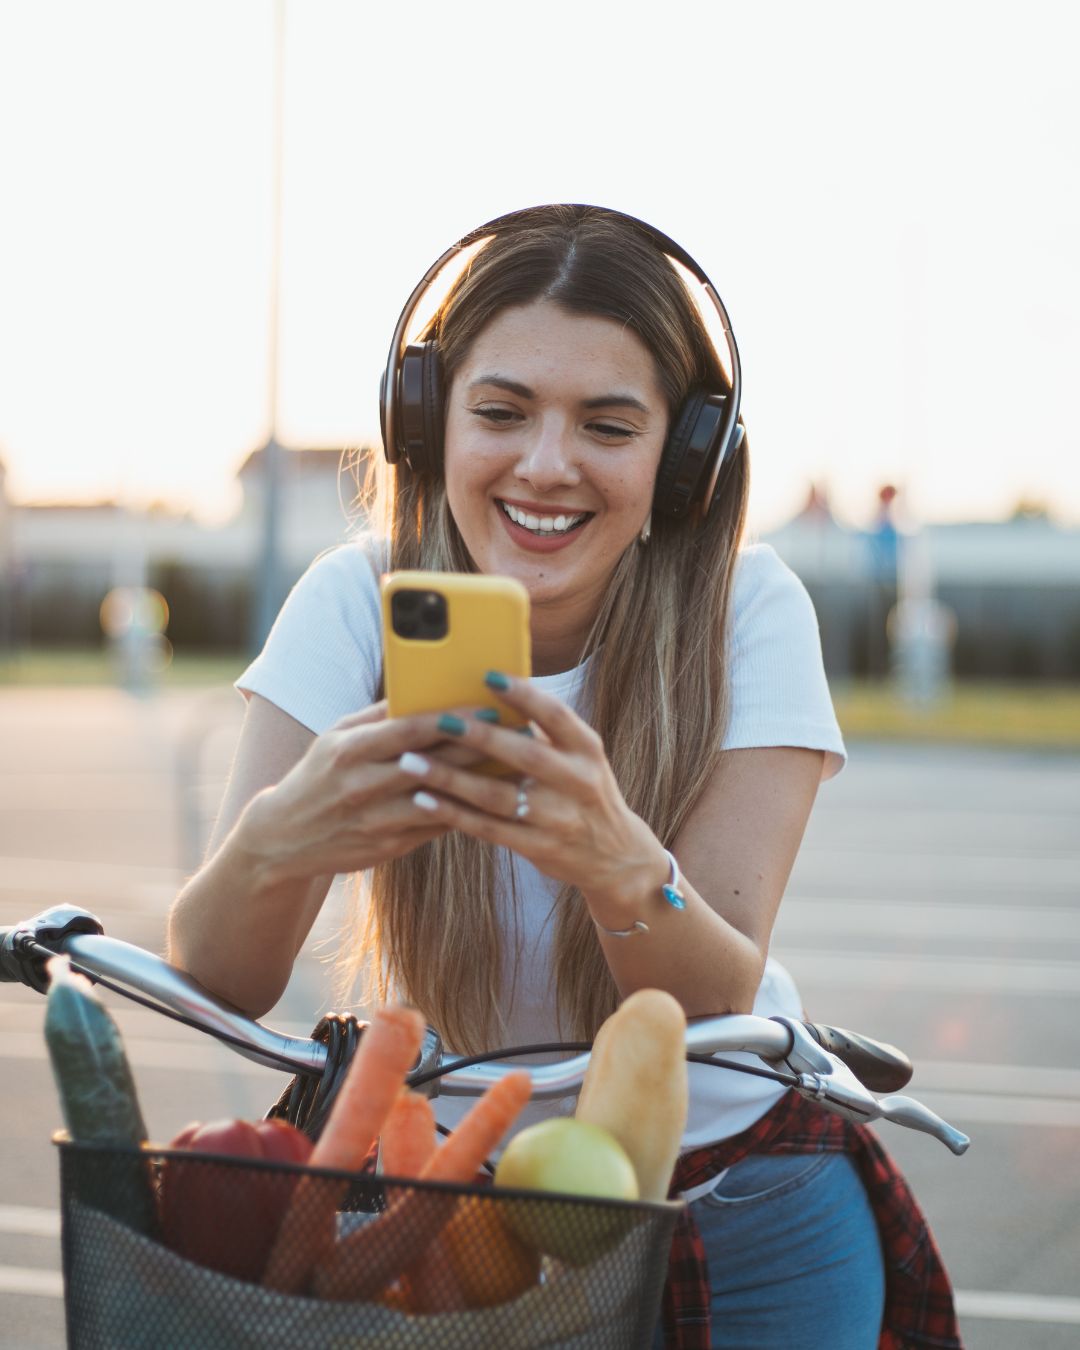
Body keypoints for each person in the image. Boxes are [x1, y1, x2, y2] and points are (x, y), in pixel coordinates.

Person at [167, 205, 959, 1349]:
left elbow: (710, 999)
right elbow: (220, 978)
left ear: (685, 462)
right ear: (427, 426)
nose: (546, 465)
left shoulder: (749, 612)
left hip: (738, 1192)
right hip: (456, 1204)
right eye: (501, 412)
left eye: (607, 425)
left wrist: (614, 857)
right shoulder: (353, 605)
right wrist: (280, 840)